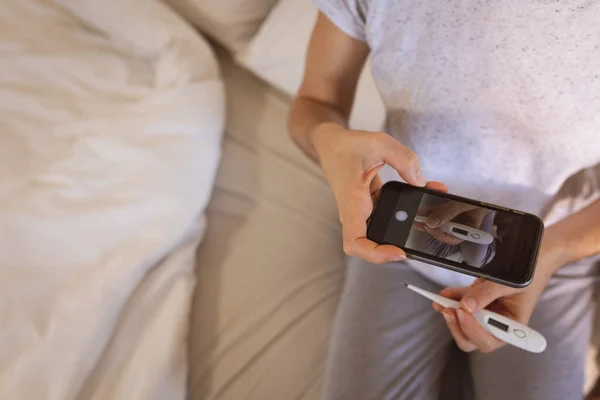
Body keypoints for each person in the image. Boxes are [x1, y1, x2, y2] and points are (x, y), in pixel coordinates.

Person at [288, 1, 600, 399]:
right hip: (398, 235)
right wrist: (327, 142)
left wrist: (556, 251)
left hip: (553, 247)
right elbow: (314, 102)